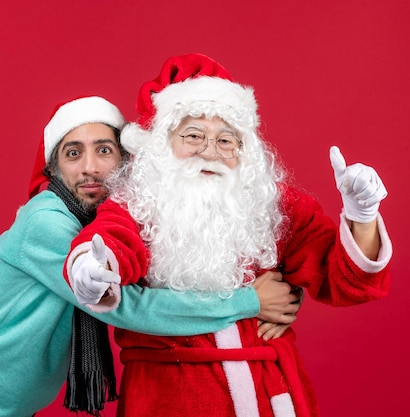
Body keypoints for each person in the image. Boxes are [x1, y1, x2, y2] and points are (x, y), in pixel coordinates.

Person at [0, 95, 300, 417]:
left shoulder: (112, 232)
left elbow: (182, 264)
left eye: (104, 151)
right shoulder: (47, 222)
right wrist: (249, 301)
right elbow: (129, 308)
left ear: (125, 162)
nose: (90, 168)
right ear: (54, 168)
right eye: (73, 153)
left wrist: (285, 291)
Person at [64, 54, 393, 417]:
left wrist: (362, 216)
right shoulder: (139, 201)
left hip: (271, 393)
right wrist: (91, 268)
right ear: (162, 144)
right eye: (193, 136)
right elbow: (111, 240)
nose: (210, 151)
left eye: (226, 141)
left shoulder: (272, 204)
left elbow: (342, 279)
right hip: (168, 398)